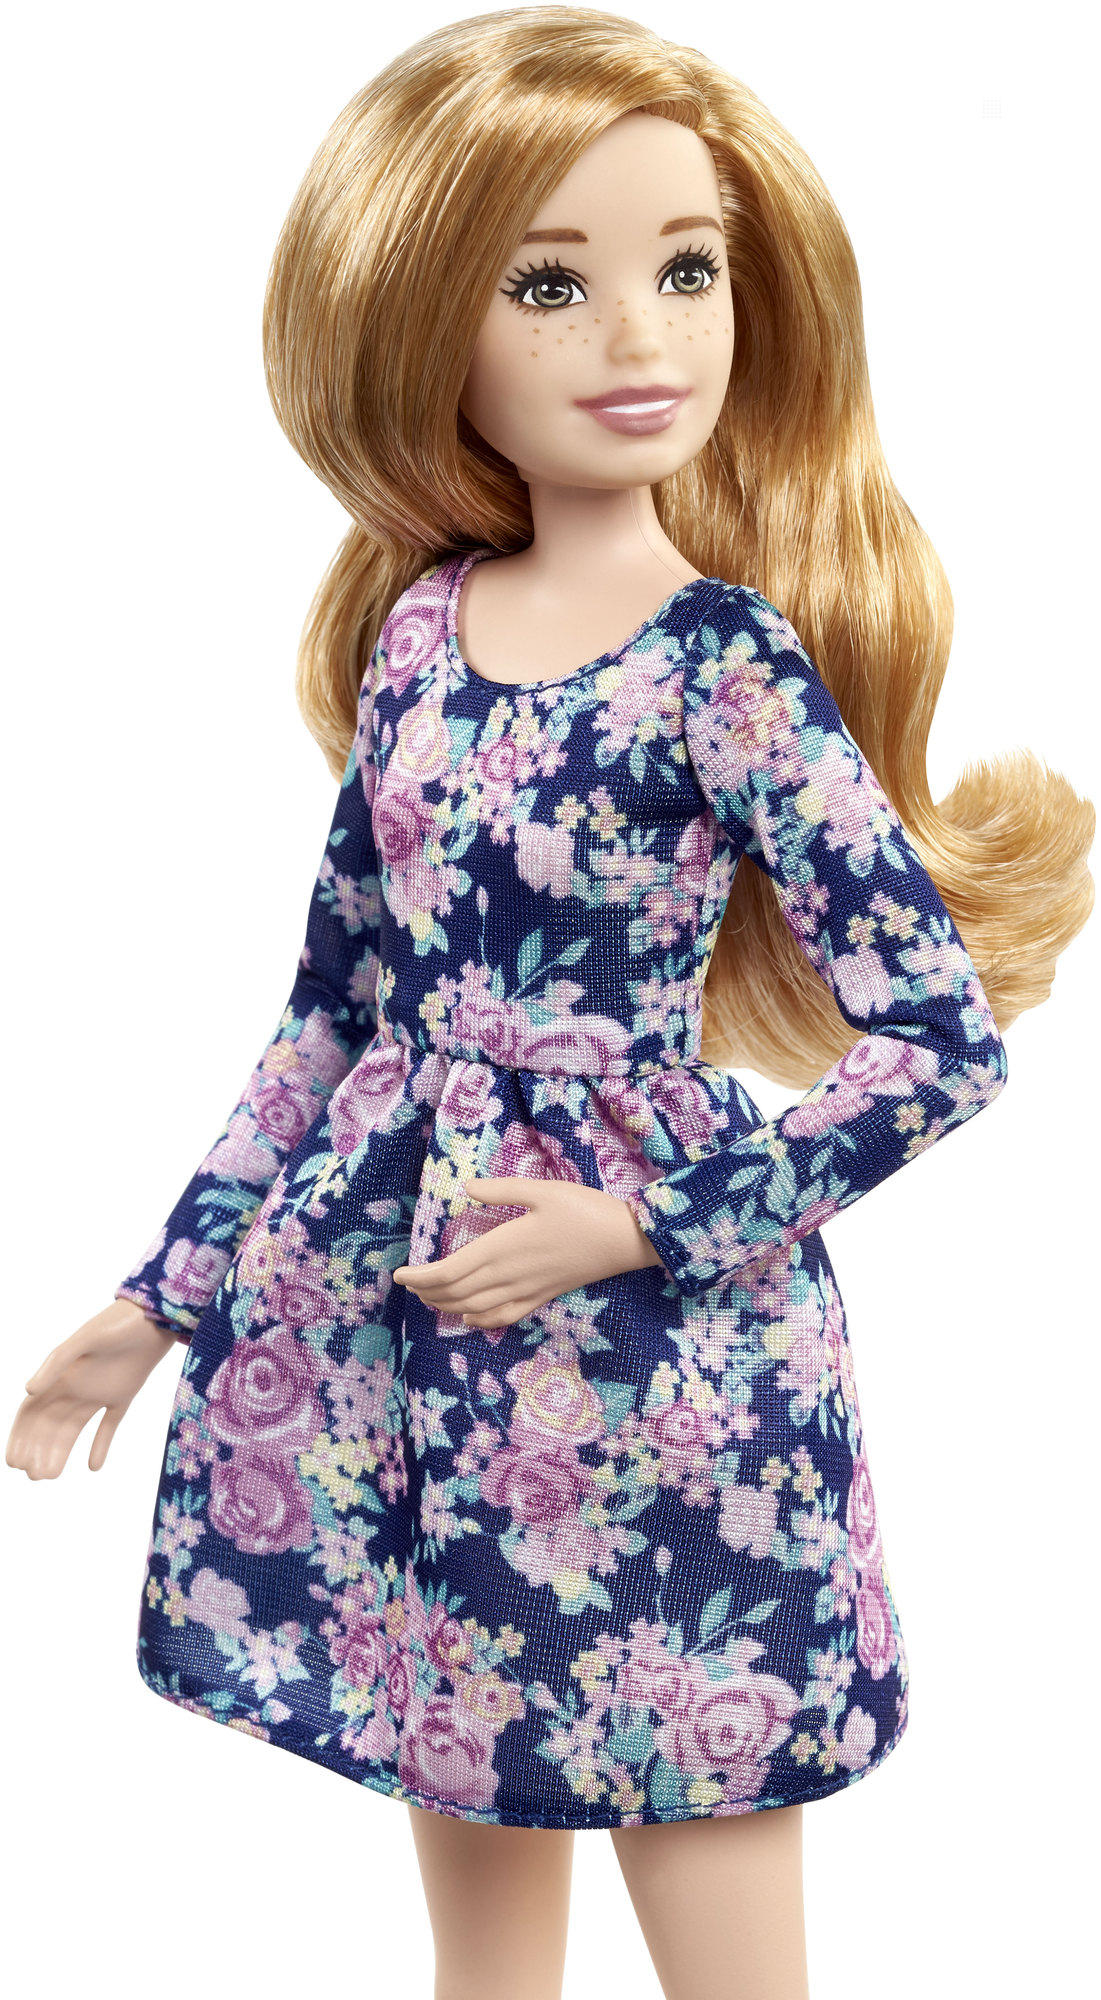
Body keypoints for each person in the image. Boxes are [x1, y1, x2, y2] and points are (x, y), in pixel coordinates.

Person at [7, 12, 1093, 1999]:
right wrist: (161, 1295)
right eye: (546, 283)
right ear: (415, 322)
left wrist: (642, 1223)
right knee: (476, 1871)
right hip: (415, 1346)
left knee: (706, 1846)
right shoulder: (419, 634)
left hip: (666, 1361)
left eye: (685, 267)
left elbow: (937, 1046)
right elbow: (331, 1013)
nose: (636, 336)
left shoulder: (723, 667)